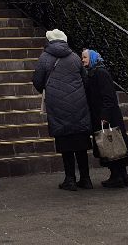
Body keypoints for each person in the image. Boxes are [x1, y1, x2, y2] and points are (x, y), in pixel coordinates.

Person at [33, 28, 94, 191]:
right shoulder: (74, 57)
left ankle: (70, 179)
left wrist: (50, 90)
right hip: (78, 105)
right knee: (81, 144)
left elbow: (37, 81)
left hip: (58, 107)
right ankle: (86, 179)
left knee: (65, 143)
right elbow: (85, 80)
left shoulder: (44, 58)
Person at [81, 48, 128, 188]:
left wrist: (104, 116)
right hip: (106, 115)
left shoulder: (100, 73)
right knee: (114, 145)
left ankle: (117, 176)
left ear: (92, 58)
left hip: (106, 116)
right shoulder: (95, 72)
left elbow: (108, 97)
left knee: (110, 145)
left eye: (85, 57)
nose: (83, 60)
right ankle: (121, 175)